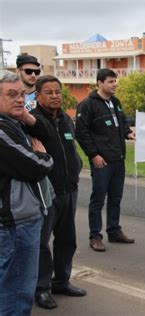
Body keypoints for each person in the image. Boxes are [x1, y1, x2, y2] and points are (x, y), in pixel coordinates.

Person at [23, 75, 86, 309]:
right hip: (46, 194)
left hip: (70, 190)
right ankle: (41, 288)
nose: (55, 96)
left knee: (67, 240)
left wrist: (77, 166)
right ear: (38, 96)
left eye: (57, 91)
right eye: (48, 92)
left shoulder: (66, 120)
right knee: (42, 243)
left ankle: (62, 281)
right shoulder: (33, 121)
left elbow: (71, 148)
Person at [0, 70, 54, 315]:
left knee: (18, 287)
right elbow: (35, 166)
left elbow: (49, 135)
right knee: (16, 291)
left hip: (25, 217)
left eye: (22, 94)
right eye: (12, 95)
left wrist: (27, 118)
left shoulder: (14, 121)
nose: (20, 99)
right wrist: (42, 156)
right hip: (14, 223)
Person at [75, 68, 136, 252]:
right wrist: (93, 155)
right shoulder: (87, 105)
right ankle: (95, 236)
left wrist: (128, 132)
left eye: (115, 81)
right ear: (100, 83)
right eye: (110, 81)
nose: (114, 84)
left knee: (115, 198)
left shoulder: (115, 102)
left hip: (118, 159)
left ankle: (114, 230)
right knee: (98, 199)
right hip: (102, 161)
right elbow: (81, 133)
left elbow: (122, 122)